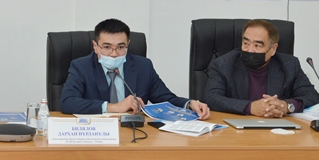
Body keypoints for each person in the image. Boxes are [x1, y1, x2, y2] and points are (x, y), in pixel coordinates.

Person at [60, 18, 209, 119]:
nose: (114, 53)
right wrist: (113, 107)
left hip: (133, 132)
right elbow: (68, 102)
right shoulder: (81, 66)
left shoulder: (143, 66)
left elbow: (166, 99)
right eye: (107, 47)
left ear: (128, 44)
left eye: (120, 47)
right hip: (96, 134)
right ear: (95, 46)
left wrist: (190, 104)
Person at [202, 19, 319, 117]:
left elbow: (312, 96)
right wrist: (250, 107)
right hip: (237, 129)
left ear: (273, 49)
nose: (250, 50)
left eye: (257, 45)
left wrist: (286, 106)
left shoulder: (289, 64)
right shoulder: (224, 64)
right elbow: (211, 98)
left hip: (277, 130)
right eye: (246, 43)